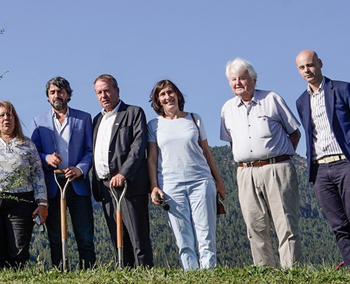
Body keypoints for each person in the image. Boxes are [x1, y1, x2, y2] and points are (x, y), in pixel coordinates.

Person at [220, 57, 302, 268]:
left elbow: (294, 133)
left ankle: (292, 272)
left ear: (253, 80)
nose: (238, 83)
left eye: (243, 78)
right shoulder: (227, 109)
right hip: (246, 173)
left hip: (277, 168)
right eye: (233, 79)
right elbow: (232, 143)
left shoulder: (272, 99)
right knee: (254, 225)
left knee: (286, 223)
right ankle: (265, 272)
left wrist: (281, 156)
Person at [147, 80, 226, 270]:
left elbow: (206, 151)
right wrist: (154, 186)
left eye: (170, 92)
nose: (168, 97)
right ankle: (191, 274)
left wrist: (219, 182)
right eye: (162, 94)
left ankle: (208, 275)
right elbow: (151, 159)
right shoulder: (154, 125)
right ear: (158, 100)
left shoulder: (194, 119)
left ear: (178, 95)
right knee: (183, 236)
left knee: (205, 233)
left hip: (201, 181)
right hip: (171, 185)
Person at [0, 100, 48, 270]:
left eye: (10, 115)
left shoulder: (27, 144)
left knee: (19, 249)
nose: (6, 119)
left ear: (16, 119)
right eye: (2, 115)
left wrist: (42, 203)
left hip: (21, 202)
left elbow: (37, 174)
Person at [31, 76, 95, 269]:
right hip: (53, 186)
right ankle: (60, 271)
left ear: (68, 94)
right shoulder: (38, 121)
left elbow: (90, 151)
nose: (56, 95)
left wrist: (80, 169)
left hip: (77, 185)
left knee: (84, 235)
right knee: (56, 236)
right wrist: (46, 158)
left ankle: (89, 272)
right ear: (48, 96)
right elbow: (34, 154)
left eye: (60, 91)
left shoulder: (83, 118)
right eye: (52, 92)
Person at [295, 50, 350, 268]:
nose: (307, 70)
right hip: (320, 171)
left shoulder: (343, 89)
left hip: (345, 163)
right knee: (338, 226)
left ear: (319, 63)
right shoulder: (301, 101)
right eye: (302, 67)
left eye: (310, 65)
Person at [92, 74, 153, 268]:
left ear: (117, 90)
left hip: (129, 185)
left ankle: (144, 274)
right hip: (105, 187)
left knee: (138, 237)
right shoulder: (96, 120)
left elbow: (138, 147)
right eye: (99, 92)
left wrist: (123, 174)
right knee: (117, 237)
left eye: (107, 90)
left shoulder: (134, 113)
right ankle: (124, 274)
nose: (104, 95)